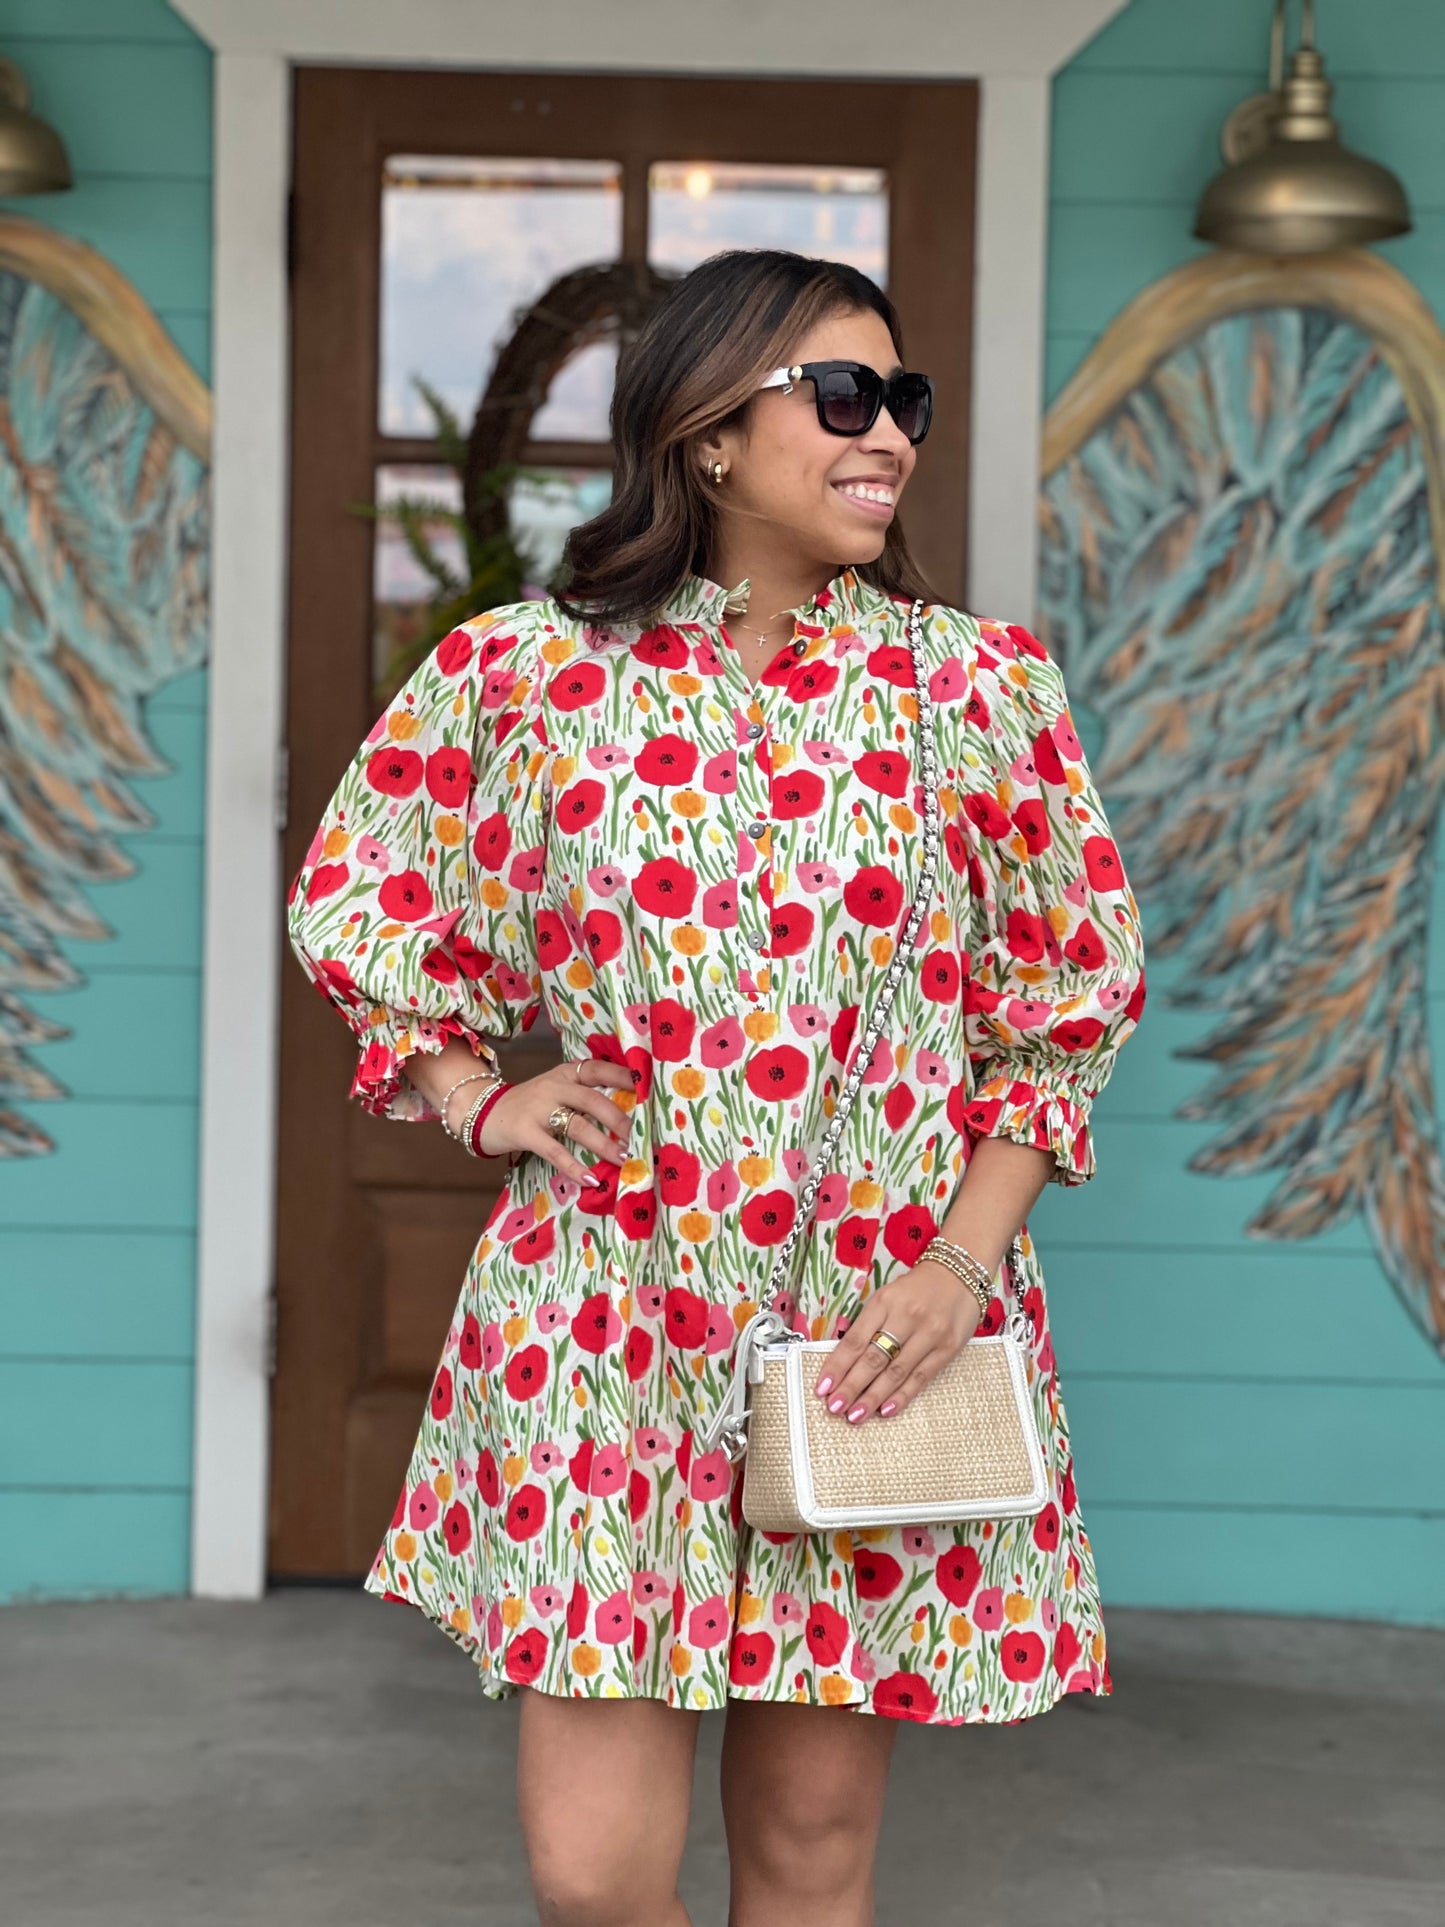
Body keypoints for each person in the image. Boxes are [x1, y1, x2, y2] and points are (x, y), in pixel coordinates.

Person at [286, 247, 1147, 1927]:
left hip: (873, 1328)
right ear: (704, 436)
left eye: (900, 399)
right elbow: (360, 886)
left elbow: (1065, 1000)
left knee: (811, 1858)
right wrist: (477, 1092)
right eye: (839, 394)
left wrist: (959, 1267)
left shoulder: (975, 692)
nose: (884, 431)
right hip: (606, 1324)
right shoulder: (521, 679)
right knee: (592, 1878)